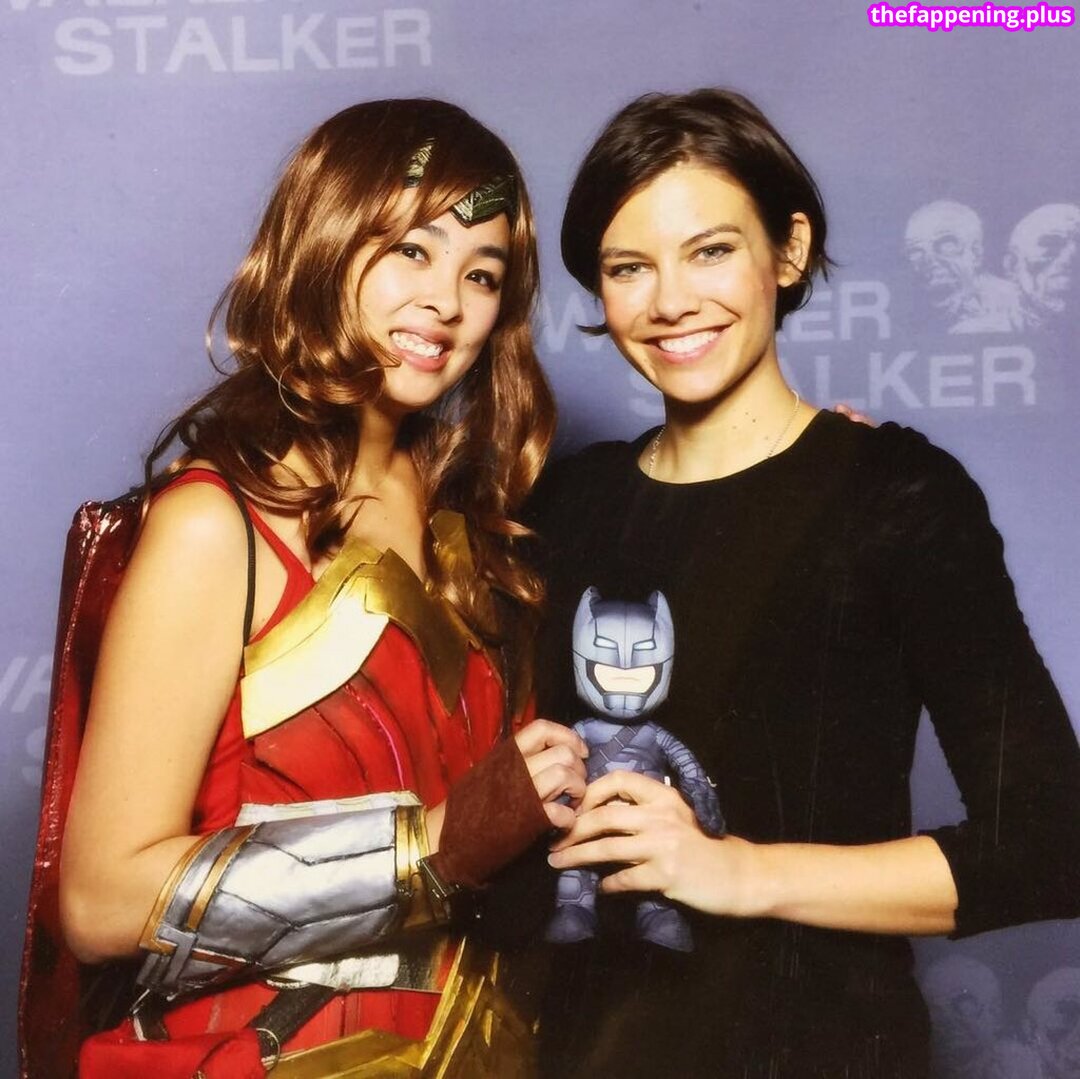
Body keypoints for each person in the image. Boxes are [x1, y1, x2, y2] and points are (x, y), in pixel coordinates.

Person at [528, 89, 1080, 1078]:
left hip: (817, 1045)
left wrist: (739, 869)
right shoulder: (566, 504)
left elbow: (1051, 843)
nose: (670, 301)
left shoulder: (894, 492)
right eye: (628, 267)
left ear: (788, 251)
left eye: (710, 250)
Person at [41, 98, 588, 1078]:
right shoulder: (219, 523)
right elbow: (100, 900)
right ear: (328, 242)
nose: (447, 301)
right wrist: (427, 849)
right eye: (411, 250)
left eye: (482, 273)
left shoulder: (477, 528)